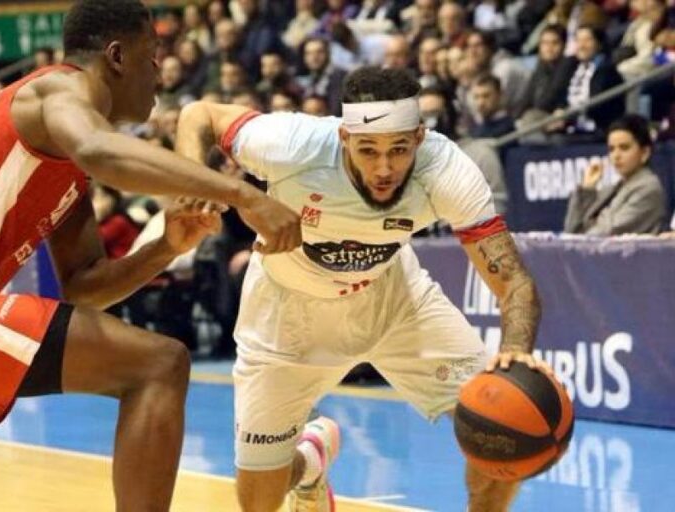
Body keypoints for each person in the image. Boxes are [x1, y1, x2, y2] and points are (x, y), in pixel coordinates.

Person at [0, 1, 302, 511]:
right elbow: (100, 149)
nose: (159, 70)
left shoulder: (65, 165)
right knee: (158, 366)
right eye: (152, 55)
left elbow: (84, 287)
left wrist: (166, 247)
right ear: (116, 55)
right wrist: (244, 195)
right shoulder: (58, 88)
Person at [176, 66, 551, 512]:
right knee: (260, 501)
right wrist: (197, 187)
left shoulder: (445, 168)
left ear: (418, 136)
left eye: (398, 149)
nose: (384, 168)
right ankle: (309, 462)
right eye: (368, 150)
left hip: (395, 298)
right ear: (343, 138)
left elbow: (514, 281)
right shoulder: (294, 143)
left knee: (502, 431)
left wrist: (517, 352)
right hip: (286, 311)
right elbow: (198, 115)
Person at [564, 114, 668, 235]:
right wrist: (587, 189)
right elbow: (572, 230)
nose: (616, 156)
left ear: (645, 153)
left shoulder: (649, 189)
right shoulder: (612, 189)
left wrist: (591, 225)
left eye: (624, 148)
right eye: (611, 149)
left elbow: (608, 233)